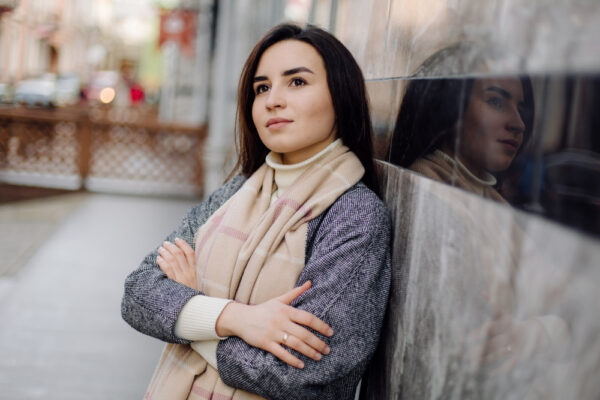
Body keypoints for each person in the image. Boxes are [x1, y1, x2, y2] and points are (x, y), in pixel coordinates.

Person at [121, 23, 391, 400]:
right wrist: (238, 319)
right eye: (261, 88)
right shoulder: (238, 191)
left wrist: (195, 313)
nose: (272, 100)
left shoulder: (355, 215)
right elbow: (138, 293)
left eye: (297, 82)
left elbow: (300, 372)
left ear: (340, 95)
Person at [388, 43, 535, 202]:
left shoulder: (491, 200)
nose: (519, 124)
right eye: (496, 102)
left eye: (520, 109)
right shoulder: (422, 190)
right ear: (448, 106)